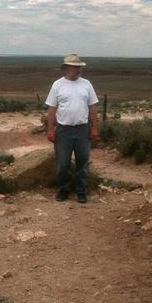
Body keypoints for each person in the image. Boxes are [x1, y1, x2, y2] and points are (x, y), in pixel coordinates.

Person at [45, 54, 99, 203]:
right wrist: (50, 130)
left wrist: (94, 128)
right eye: (75, 67)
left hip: (83, 129)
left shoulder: (86, 84)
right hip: (64, 130)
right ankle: (64, 189)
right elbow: (52, 109)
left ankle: (82, 191)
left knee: (83, 162)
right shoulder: (57, 85)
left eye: (79, 67)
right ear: (66, 68)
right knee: (63, 163)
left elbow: (92, 107)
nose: (78, 69)